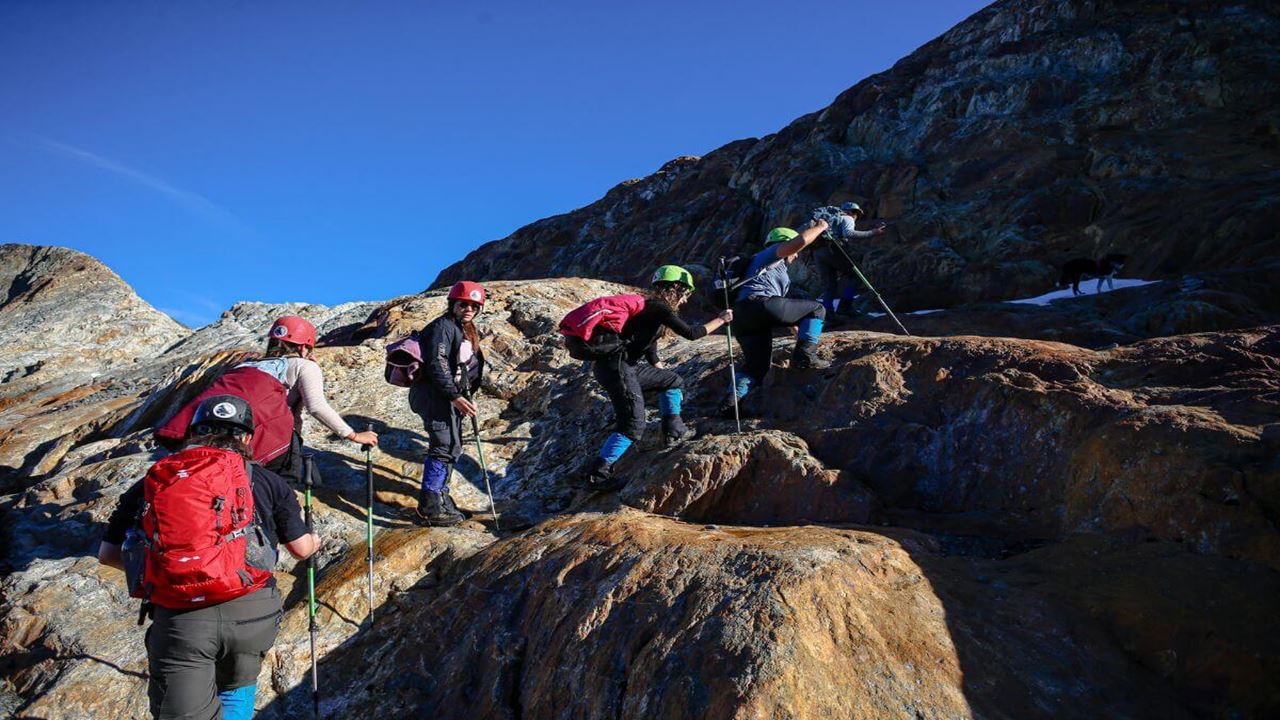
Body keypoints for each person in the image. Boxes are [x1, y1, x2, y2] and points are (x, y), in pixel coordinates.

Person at [99, 394, 320, 720]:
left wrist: (165, 570)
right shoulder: (269, 481)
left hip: (182, 617)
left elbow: (108, 554)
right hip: (252, 611)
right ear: (246, 438)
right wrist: (315, 539)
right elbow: (301, 549)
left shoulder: (158, 478)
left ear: (193, 433)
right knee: (234, 692)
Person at [585, 265, 732, 492]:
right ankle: (598, 476)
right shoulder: (658, 307)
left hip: (620, 368)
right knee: (633, 425)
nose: (684, 301)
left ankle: (674, 432)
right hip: (617, 369)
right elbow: (691, 334)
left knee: (672, 380)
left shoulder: (649, 310)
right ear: (676, 288)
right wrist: (721, 320)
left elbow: (649, 349)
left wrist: (661, 373)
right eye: (685, 294)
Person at [722, 219, 831, 415]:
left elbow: (781, 309)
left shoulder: (763, 268)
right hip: (760, 305)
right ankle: (805, 357)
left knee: (756, 367)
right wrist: (820, 227)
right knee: (817, 308)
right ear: (784, 243)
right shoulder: (771, 255)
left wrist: (796, 330)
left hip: (742, 316)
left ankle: (731, 404)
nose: (796, 256)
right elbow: (800, 242)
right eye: (794, 252)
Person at [408, 281, 487, 526]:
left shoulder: (462, 328)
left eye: (474, 306)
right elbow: (437, 362)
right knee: (443, 446)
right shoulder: (443, 326)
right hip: (436, 396)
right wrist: (454, 395)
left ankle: (441, 498)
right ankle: (429, 506)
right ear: (453, 303)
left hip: (447, 397)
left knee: (452, 446)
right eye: (464, 304)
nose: (469, 309)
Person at [811, 202, 886, 316]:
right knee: (855, 275)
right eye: (856, 214)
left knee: (829, 285)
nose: (856, 217)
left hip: (818, 251)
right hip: (834, 249)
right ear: (851, 211)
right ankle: (845, 307)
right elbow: (849, 233)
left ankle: (827, 315)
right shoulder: (847, 217)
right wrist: (873, 232)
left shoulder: (828, 220)